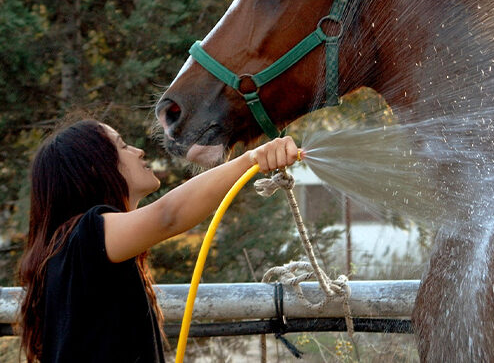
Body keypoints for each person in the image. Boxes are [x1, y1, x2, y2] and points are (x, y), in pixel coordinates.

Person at [17, 118, 299, 362]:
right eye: (122, 146)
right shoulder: (88, 237)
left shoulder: (71, 249)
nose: (138, 151)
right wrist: (251, 159)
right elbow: (168, 216)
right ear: (93, 168)